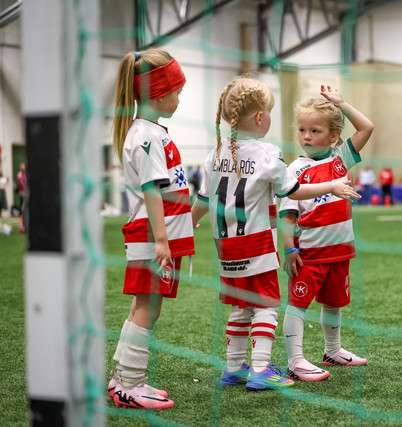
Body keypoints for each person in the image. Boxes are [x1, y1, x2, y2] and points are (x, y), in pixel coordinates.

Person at [190, 77, 360, 391]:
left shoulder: (215, 153)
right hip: (256, 244)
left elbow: (203, 198)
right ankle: (260, 369)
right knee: (266, 306)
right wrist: (332, 186)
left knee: (241, 306)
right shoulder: (268, 153)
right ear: (260, 117)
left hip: (225, 246)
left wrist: (188, 223)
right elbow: (291, 192)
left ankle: (234, 367)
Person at [107, 49, 194, 410]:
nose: (179, 99)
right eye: (177, 92)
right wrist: (162, 240)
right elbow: (151, 190)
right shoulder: (145, 135)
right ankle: (130, 384)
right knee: (148, 307)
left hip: (159, 234)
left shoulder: (151, 132)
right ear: (158, 94)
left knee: (143, 305)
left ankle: (123, 378)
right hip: (152, 236)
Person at [279, 84, 374, 382]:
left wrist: (341, 104)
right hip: (309, 254)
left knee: (333, 302)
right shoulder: (294, 170)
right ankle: (295, 361)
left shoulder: (340, 158)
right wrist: (289, 249)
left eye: (314, 131)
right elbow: (287, 214)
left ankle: (332, 350)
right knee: (298, 304)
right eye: (302, 130)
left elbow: (367, 127)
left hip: (340, 251)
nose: (306, 136)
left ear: (333, 136)